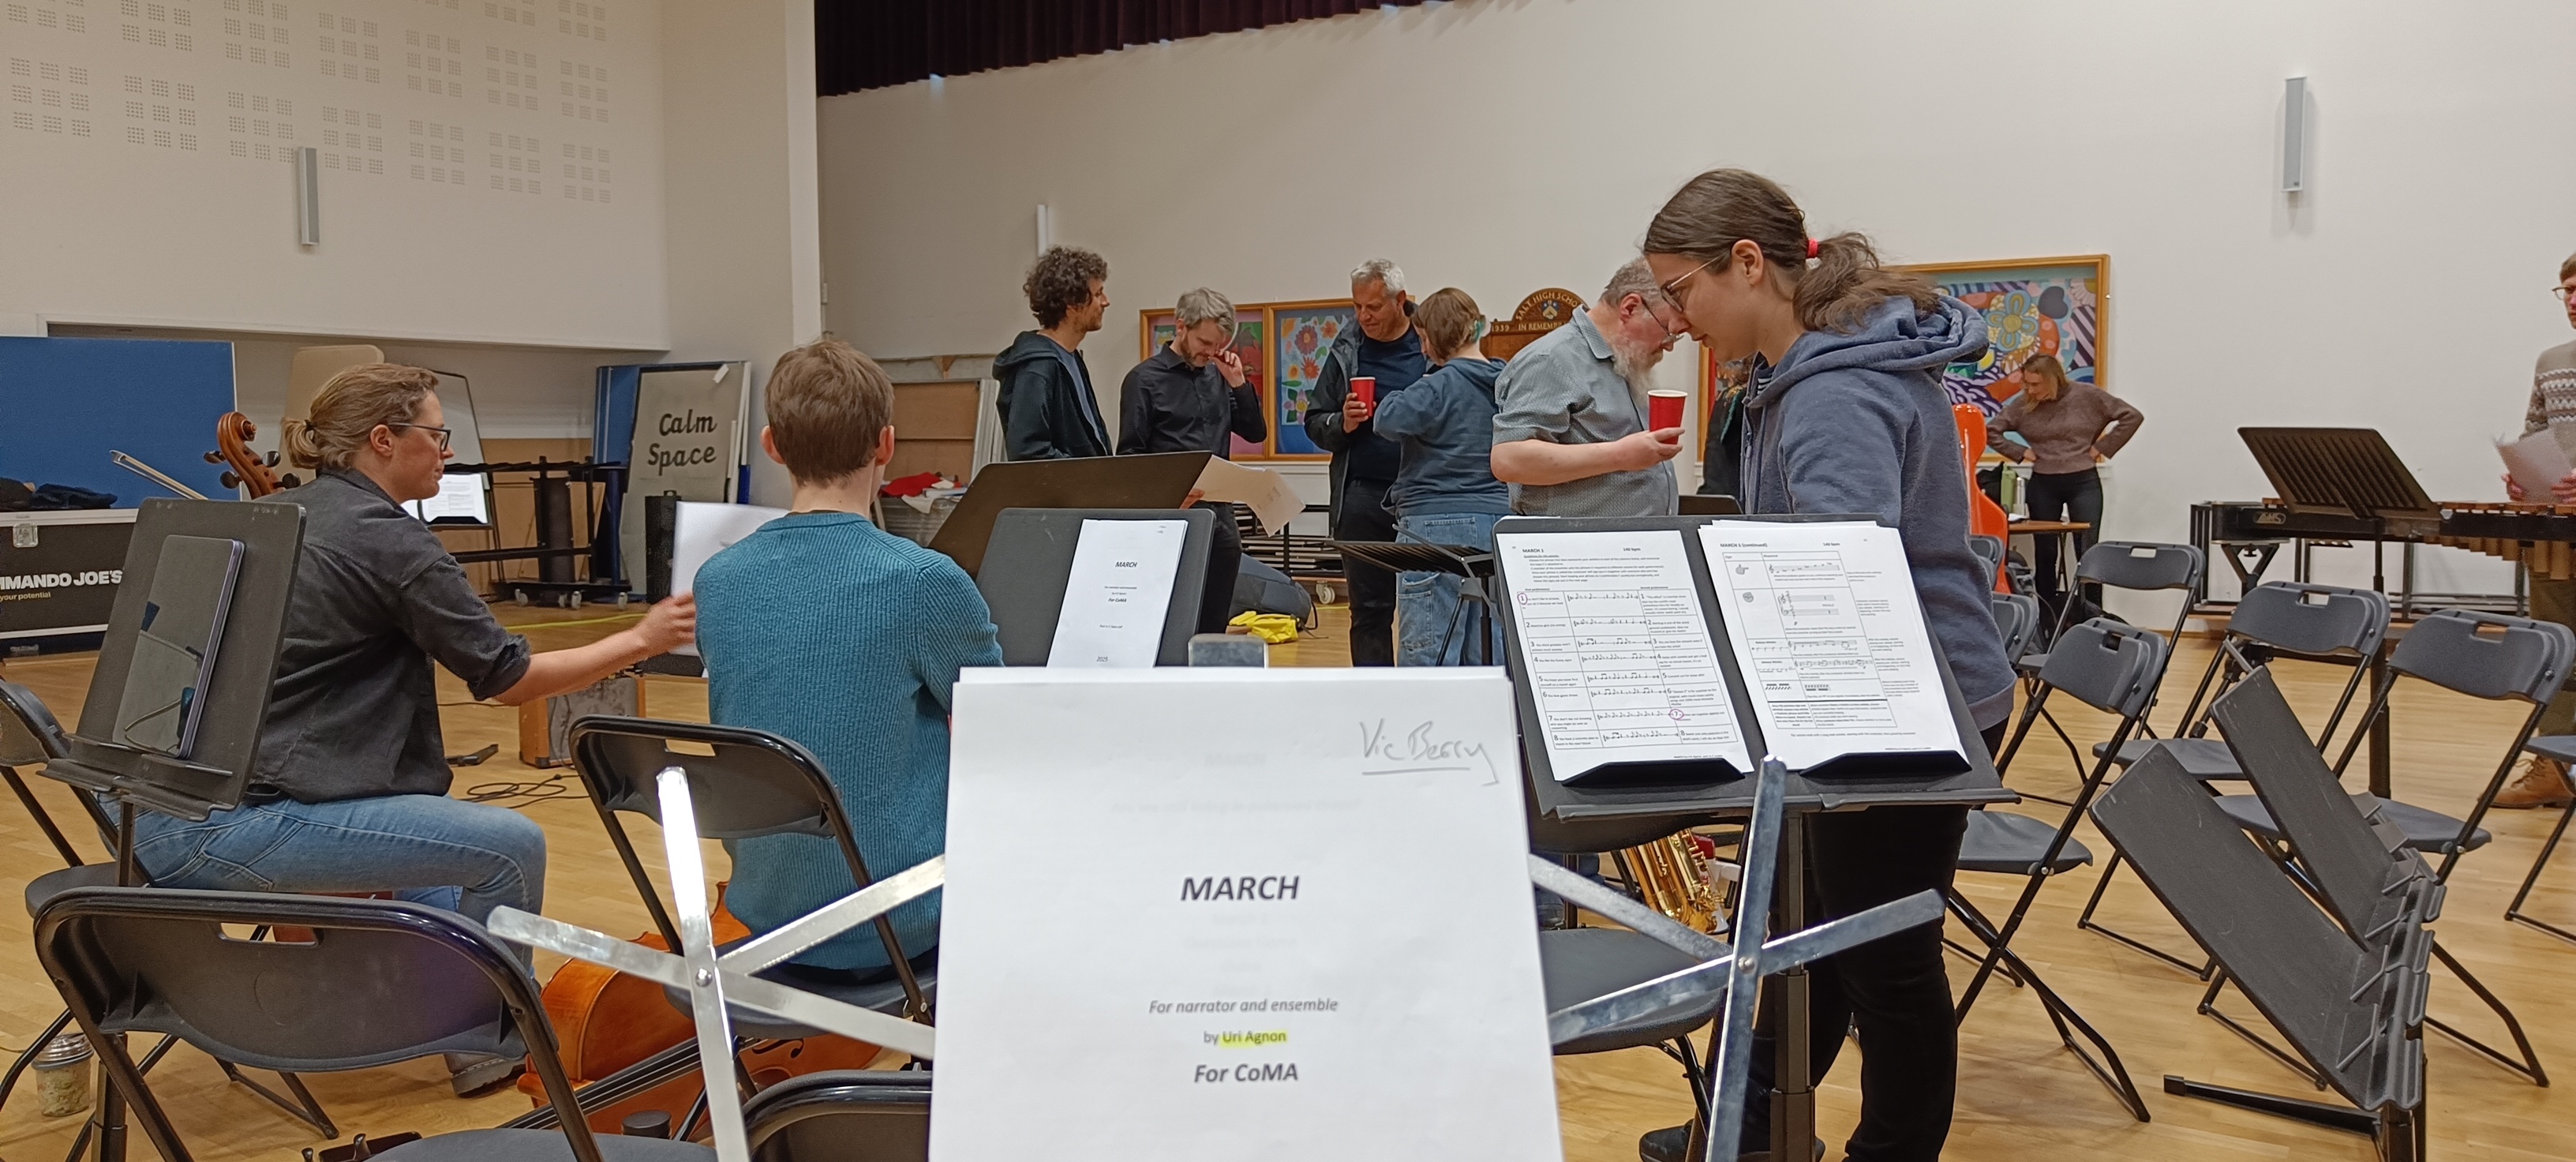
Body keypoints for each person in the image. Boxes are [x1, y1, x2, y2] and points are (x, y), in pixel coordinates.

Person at [125, 362, 697, 1093]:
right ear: (384, 440)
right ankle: (491, 1041)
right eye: (438, 433)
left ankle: (422, 1015)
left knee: (440, 893)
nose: (448, 450)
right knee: (510, 848)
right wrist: (643, 640)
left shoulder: (286, 513)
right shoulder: (390, 543)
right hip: (228, 828)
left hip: (154, 809)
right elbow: (508, 679)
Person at [1642, 168, 2016, 1162]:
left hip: (1906, 701)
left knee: (1884, 958)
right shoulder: (1806, 376)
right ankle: (1755, 1129)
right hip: (1893, 689)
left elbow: (1835, 582)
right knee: (1808, 936)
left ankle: (1881, 1149)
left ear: (1750, 264)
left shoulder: (1836, 393)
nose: (1677, 322)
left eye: (1681, 292)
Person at [695, 339, 1003, 974]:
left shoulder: (718, 580)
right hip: (901, 918)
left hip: (770, 914)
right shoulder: (923, 581)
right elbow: (1003, 729)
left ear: (772, 445)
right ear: (886, 445)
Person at [1370, 287, 1507, 665]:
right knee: (1490, 650)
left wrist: (1427, 373)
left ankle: (1426, 726)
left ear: (1429, 338)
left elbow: (1388, 419)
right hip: (1498, 520)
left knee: (1429, 652)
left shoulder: (1437, 385)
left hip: (1435, 525)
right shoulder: (1508, 382)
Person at [1488, 259, 1689, 516]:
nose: (1669, 345)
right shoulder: (1552, 359)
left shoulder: (1625, 360)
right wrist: (1620, 455)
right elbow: (1509, 460)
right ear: (1630, 307)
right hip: (1573, 549)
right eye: (1668, 331)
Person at [1120, 287, 1268, 635]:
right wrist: (1168, 495)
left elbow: (1255, 433)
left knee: (1215, 620)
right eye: (1205, 342)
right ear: (1181, 326)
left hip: (1221, 518)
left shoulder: (1218, 375)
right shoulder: (1143, 380)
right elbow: (1129, 457)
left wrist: (1239, 386)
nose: (1211, 352)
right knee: (1169, 621)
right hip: (1171, 517)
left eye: (1218, 345)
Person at [1301, 258, 1427, 665]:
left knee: (1424, 607)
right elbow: (1315, 422)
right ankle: (1374, 700)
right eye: (1357, 306)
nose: (1363, 316)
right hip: (1361, 497)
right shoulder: (1346, 349)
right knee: (1369, 611)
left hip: (1421, 497)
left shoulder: (1428, 342)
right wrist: (1344, 422)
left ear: (1400, 301)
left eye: (1372, 307)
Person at [2497, 251, 2576, 809]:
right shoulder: (2551, 360)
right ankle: (2553, 763)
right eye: (2565, 290)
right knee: (2558, 645)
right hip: (2559, 531)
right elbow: (2535, 434)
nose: (2571, 300)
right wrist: (2524, 478)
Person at [1985, 353, 2144, 615]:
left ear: (2053, 379)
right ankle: (2047, 619)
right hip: (2043, 483)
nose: (2030, 390)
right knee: (2045, 553)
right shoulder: (2024, 404)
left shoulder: (2087, 396)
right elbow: (1991, 431)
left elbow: (2131, 416)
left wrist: (2101, 448)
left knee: (2089, 552)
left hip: (2083, 480)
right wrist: (2021, 452)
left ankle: (2092, 616)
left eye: (2036, 384)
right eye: (2026, 384)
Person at [995, 246, 1114, 460]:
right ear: (1072, 304)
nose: (1106, 301)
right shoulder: (1037, 367)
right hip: (1064, 493)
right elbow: (1028, 453)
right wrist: (1091, 477)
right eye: (1097, 294)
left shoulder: (1070, 358)